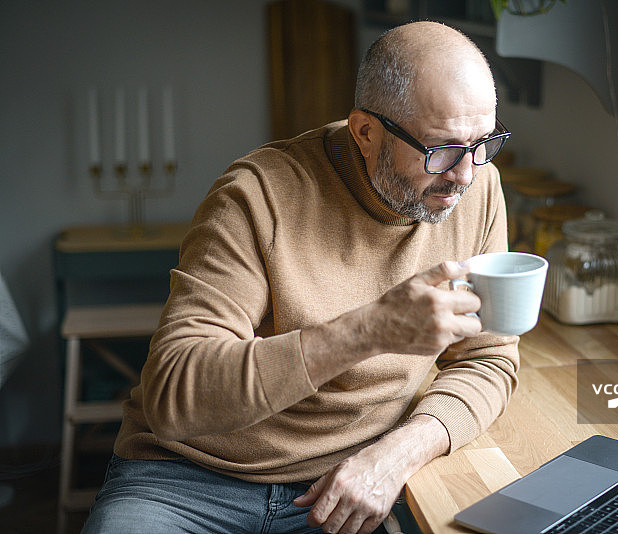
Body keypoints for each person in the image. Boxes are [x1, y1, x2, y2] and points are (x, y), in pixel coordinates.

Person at [82, 20, 519, 534]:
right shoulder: (258, 195)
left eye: (483, 143)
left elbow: (487, 359)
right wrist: (370, 330)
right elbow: (174, 392)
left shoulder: (477, 188)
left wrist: (399, 452)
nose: (465, 174)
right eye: (440, 148)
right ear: (365, 132)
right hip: (187, 481)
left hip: (347, 486)